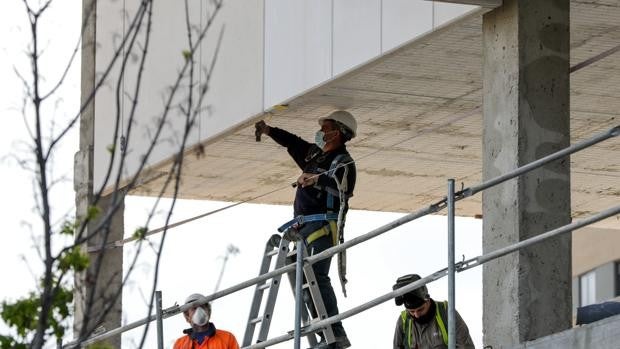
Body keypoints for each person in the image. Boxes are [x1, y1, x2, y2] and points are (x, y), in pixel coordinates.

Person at [255, 110, 357, 349]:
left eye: (326, 128)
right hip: (303, 226)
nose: (321, 132)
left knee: (317, 278)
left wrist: (317, 179)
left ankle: (335, 332)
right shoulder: (315, 155)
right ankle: (323, 330)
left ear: (339, 133)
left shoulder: (343, 162)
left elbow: (344, 189)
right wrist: (269, 131)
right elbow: (293, 143)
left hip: (323, 225)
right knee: (303, 280)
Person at [393, 274, 475, 349]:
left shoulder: (446, 312)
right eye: (412, 311)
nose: (416, 315)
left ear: (427, 300)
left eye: (420, 309)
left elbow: (466, 346)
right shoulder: (403, 321)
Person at [173, 293, 239, 349]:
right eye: (194, 308)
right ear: (187, 316)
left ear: (208, 311)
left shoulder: (227, 338)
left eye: (202, 307)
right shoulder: (180, 345)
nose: (199, 310)